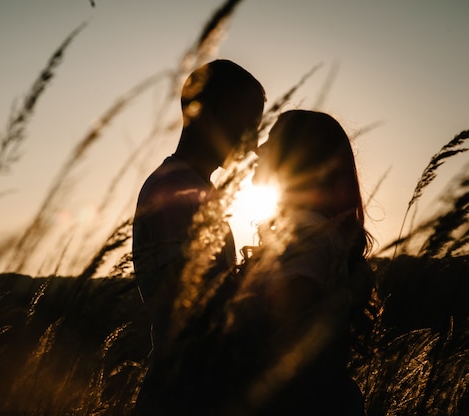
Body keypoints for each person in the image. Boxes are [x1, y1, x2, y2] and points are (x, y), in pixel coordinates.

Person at [132, 59, 266, 415]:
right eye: (248, 123)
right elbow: (197, 308)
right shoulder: (174, 192)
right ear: (209, 114)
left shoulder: (195, 189)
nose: (253, 143)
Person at [228, 110, 374, 415]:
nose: (259, 149)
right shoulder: (311, 229)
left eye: (272, 140)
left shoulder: (305, 233)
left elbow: (282, 343)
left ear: (297, 158)